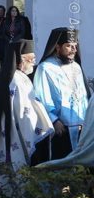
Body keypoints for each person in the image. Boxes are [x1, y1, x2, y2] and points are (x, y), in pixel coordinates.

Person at [0, 39, 54, 198]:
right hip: (12, 135)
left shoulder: (21, 78)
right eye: (30, 58)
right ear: (19, 59)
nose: (33, 62)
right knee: (12, 171)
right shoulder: (15, 81)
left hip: (17, 132)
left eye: (34, 58)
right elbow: (23, 112)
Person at [33, 28, 90, 160]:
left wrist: (87, 119)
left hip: (81, 127)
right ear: (57, 47)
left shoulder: (76, 67)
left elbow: (83, 96)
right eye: (69, 46)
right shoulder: (45, 68)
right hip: (61, 127)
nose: (73, 50)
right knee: (61, 163)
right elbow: (41, 97)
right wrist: (54, 120)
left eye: (75, 46)